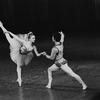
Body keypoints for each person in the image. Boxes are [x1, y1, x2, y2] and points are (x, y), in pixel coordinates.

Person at [0, 21, 44, 86]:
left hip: (22, 55)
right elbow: (17, 37)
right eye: (33, 38)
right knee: (8, 36)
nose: (34, 39)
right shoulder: (25, 42)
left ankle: (19, 79)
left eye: (34, 38)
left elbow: (37, 54)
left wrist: (42, 53)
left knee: (19, 66)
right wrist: (11, 33)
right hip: (17, 48)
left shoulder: (33, 47)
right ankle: (1, 26)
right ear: (29, 39)